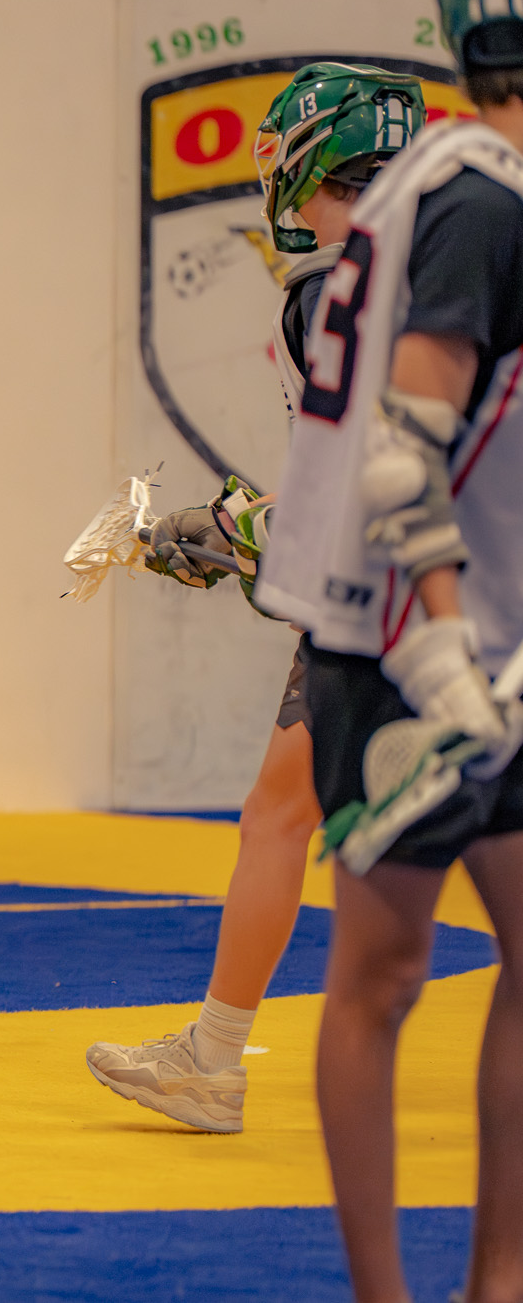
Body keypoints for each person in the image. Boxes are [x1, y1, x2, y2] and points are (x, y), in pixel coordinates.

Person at [86, 64, 426, 1134]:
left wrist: (238, 537)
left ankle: (213, 1058)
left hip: (404, 592)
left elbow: (368, 483)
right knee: (295, 810)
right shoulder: (438, 266)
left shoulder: (328, 293)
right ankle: (211, 1053)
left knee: (289, 817)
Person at [255, 0, 523, 1296]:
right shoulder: (478, 198)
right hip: (413, 637)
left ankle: (500, 1275)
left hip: (466, 622)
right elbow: (407, 456)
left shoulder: (448, 186)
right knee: (384, 966)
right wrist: (442, 638)